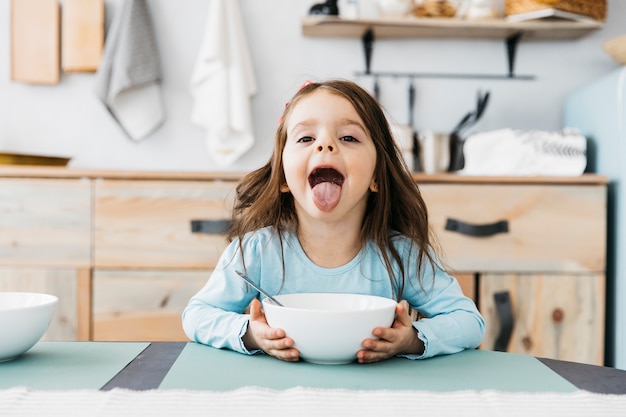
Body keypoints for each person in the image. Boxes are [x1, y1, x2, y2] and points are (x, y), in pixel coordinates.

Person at [182, 79, 485, 364]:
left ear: (377, 176)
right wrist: (251, 333)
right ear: (284, 178)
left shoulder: (402, 256)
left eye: (349, 137)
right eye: (305, 137)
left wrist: (412, 340)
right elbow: (197, 315)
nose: (325, 145)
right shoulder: (256, 252)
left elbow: (469, 322)